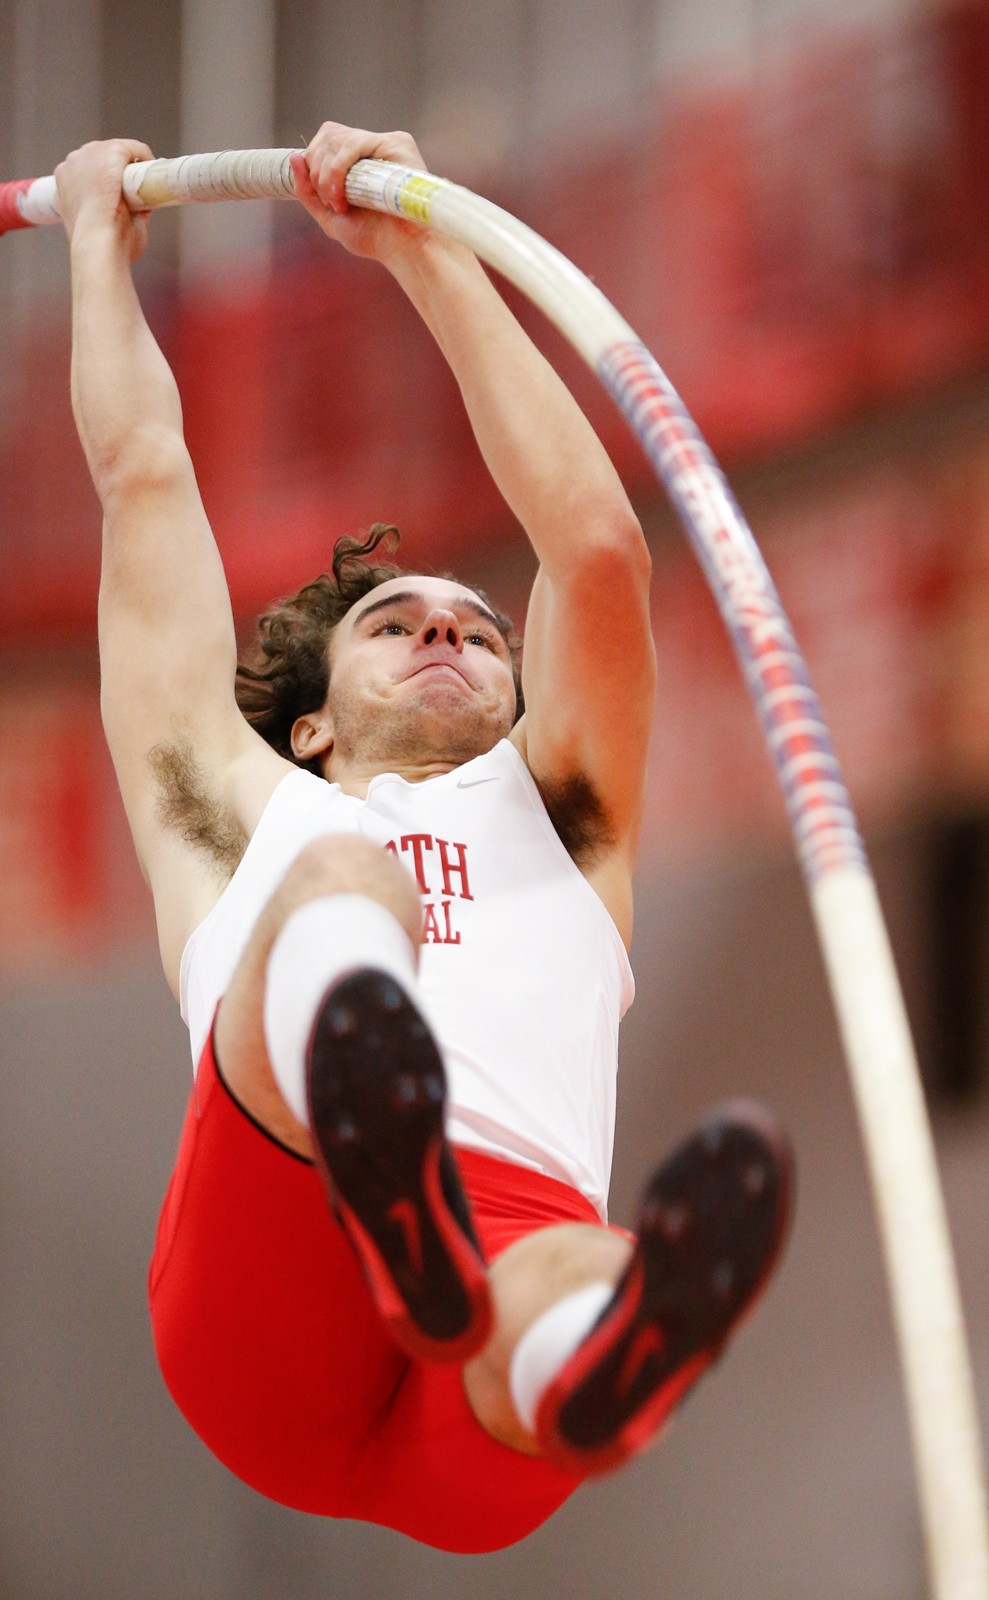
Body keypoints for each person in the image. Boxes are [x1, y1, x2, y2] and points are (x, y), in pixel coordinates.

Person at [55, 121, 793, 1553]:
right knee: (344, 878)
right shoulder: (228, 800)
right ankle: (435, 1234)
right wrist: (98, 241)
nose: (449, 632)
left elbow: (594, 548)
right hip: (278, 1280)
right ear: (312, 724)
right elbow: (144, 478)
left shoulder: (568, 811)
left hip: (497, 1261)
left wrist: (424, 251)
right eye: (400, 626)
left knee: (586, 1271)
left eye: (478, 631)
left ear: (526, 696)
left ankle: (590, 1360)